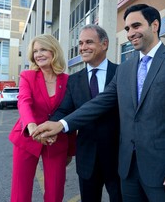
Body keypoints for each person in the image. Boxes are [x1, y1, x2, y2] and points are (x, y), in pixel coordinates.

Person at [33, 4, 165, 202]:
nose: (130, 33)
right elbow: (99, 103)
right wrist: (61, 124)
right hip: (127, 170)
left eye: (136, 26)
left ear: (154, 25)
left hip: (163, 170)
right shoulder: (126, 68)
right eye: (127, 28)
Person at [50, 24, 122, 202]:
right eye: (81, 43)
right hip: (87, 157)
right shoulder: (74, 80)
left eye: (89, 42)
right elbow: (64, 110)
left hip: (119, 157)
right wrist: (51, 125)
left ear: (104, 44)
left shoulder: (122, 73)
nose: (83, 47)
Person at [9, 34, 76, 202]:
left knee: (55, 191)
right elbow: (24, 101)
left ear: (54, 51)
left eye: (43, 49)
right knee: (20, 191)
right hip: (27, 137)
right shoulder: (27, 76)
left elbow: (70, 113)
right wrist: (31, 127)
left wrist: (71, 150)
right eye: (35, 51)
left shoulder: (69, 80)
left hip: (56, 140)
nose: (38, 54)